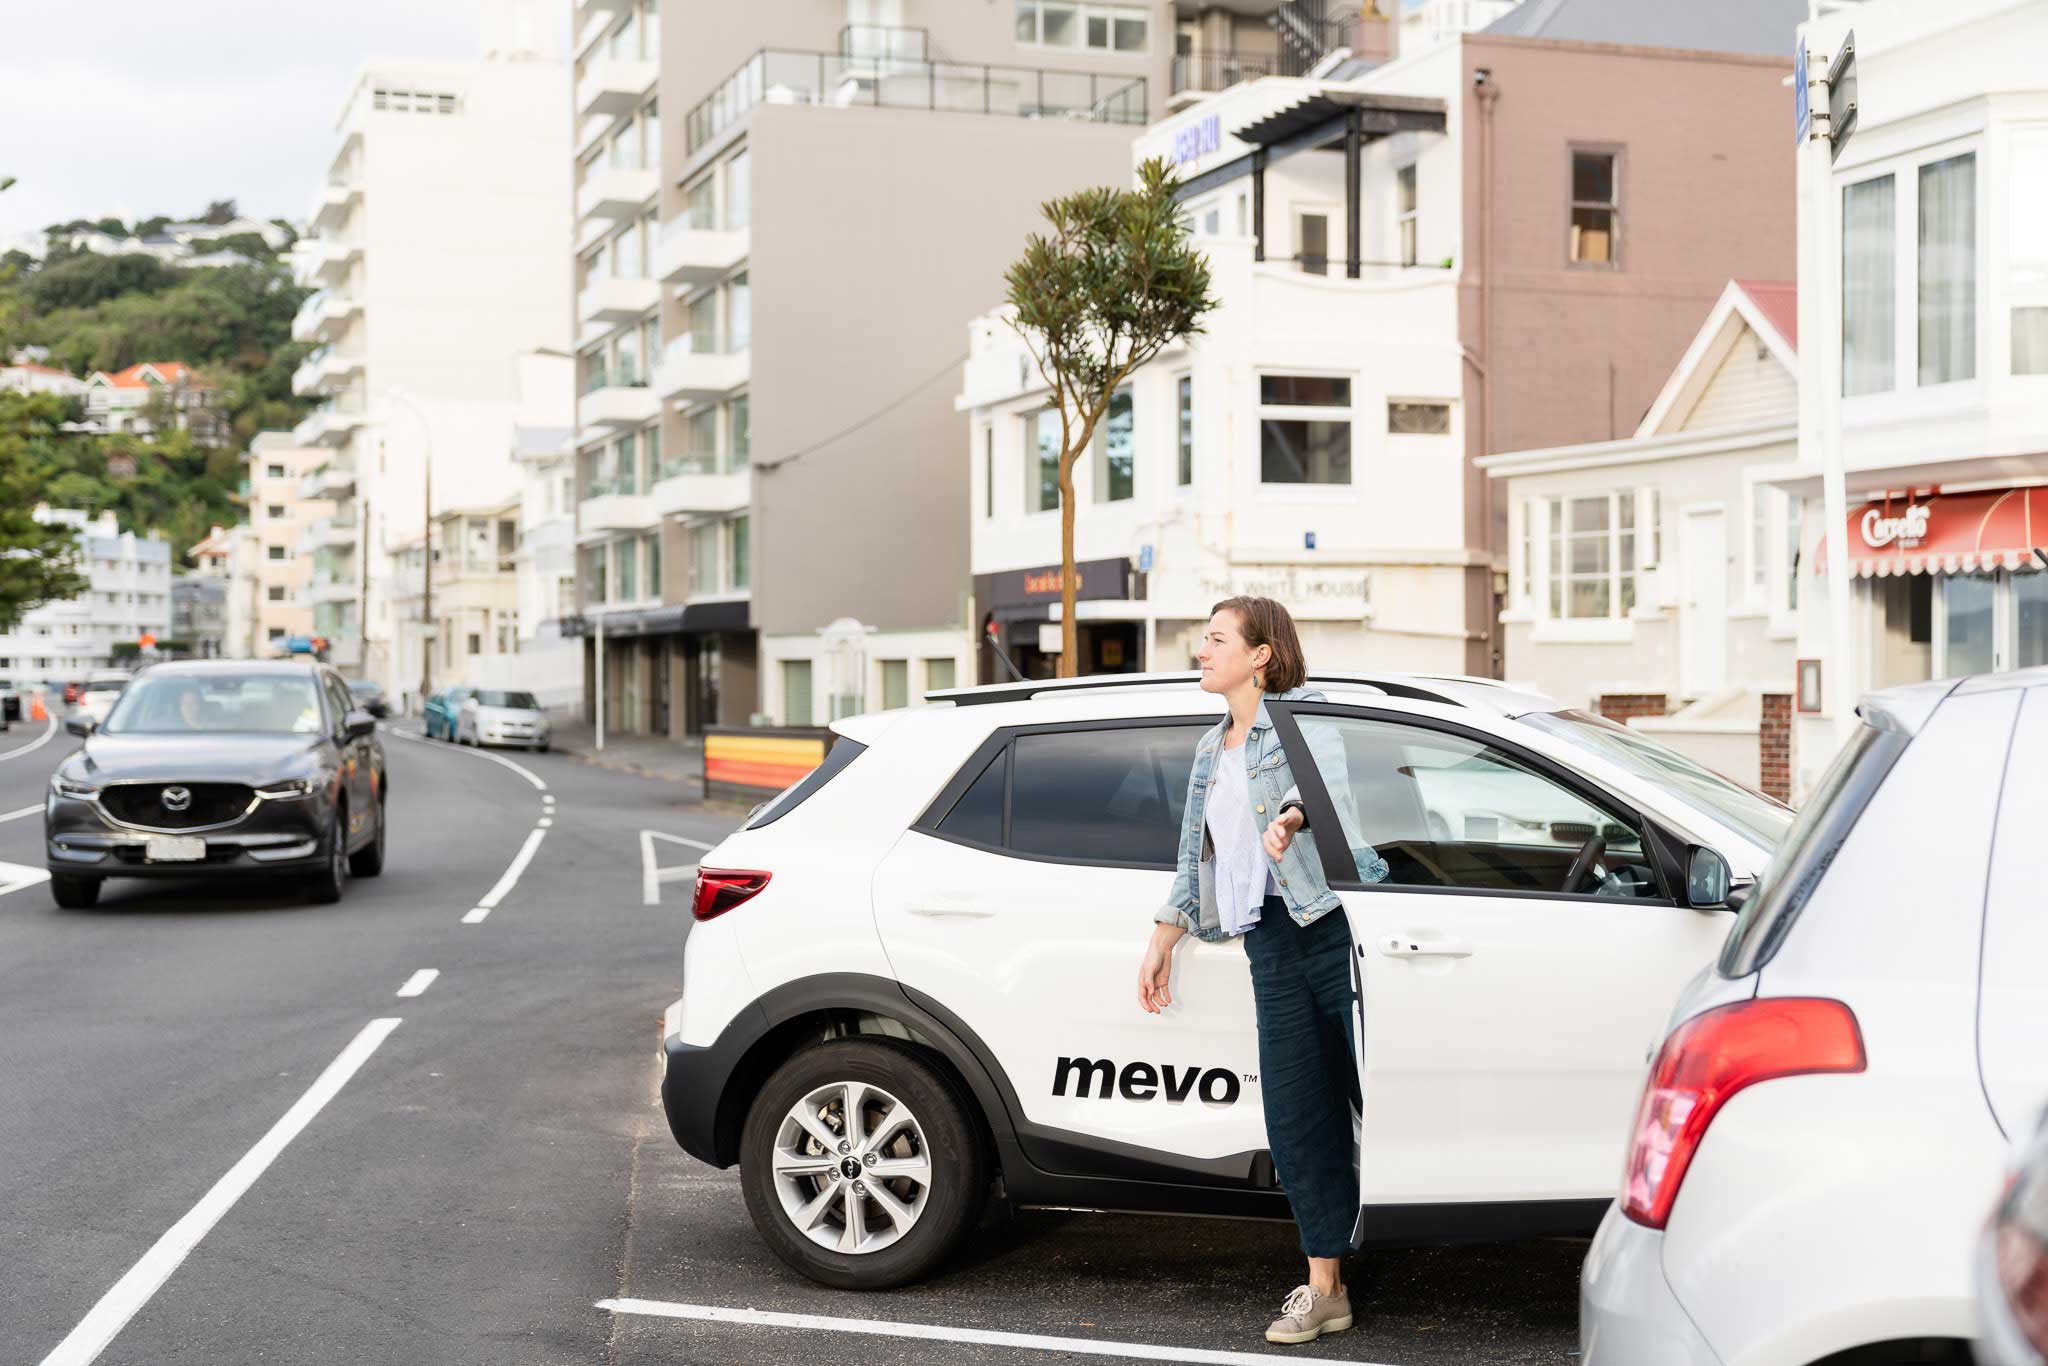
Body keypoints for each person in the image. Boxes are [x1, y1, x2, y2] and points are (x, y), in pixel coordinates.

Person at [1136, 596, 1387, 1347]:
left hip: (1332, 929)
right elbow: (1193, 852)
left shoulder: (1306, 719)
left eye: (1216, 640)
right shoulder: (1212, 749)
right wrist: (1165, 934)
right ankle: (1325, 1288)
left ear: (1261, 654)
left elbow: (1322, 792)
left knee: (1382, 1097)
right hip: (1268, 943)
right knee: (1297, 1114)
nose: (1202, 652)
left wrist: (1291, 816)